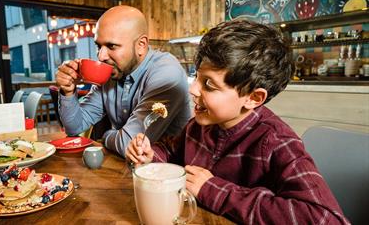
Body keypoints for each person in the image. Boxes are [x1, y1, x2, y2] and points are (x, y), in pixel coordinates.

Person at [126, 20, 349, 224]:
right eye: (197, 77)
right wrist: (151, 156)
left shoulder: (277, 143)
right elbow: (171, 151)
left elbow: (325, 218)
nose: (193, 89)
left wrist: (213, 190)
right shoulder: (199, 126)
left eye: (209, 84)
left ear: (253, 98)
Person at [55, 5, 191, 157]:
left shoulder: (166, 72)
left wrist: (106, 136)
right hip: (127, 168)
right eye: (98, 46)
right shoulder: (112, 73)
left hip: (169, 172)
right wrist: (68, 91)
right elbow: (74, 127)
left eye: (111, 46)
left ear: (141, 45)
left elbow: (128, 144)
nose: (101, 56)